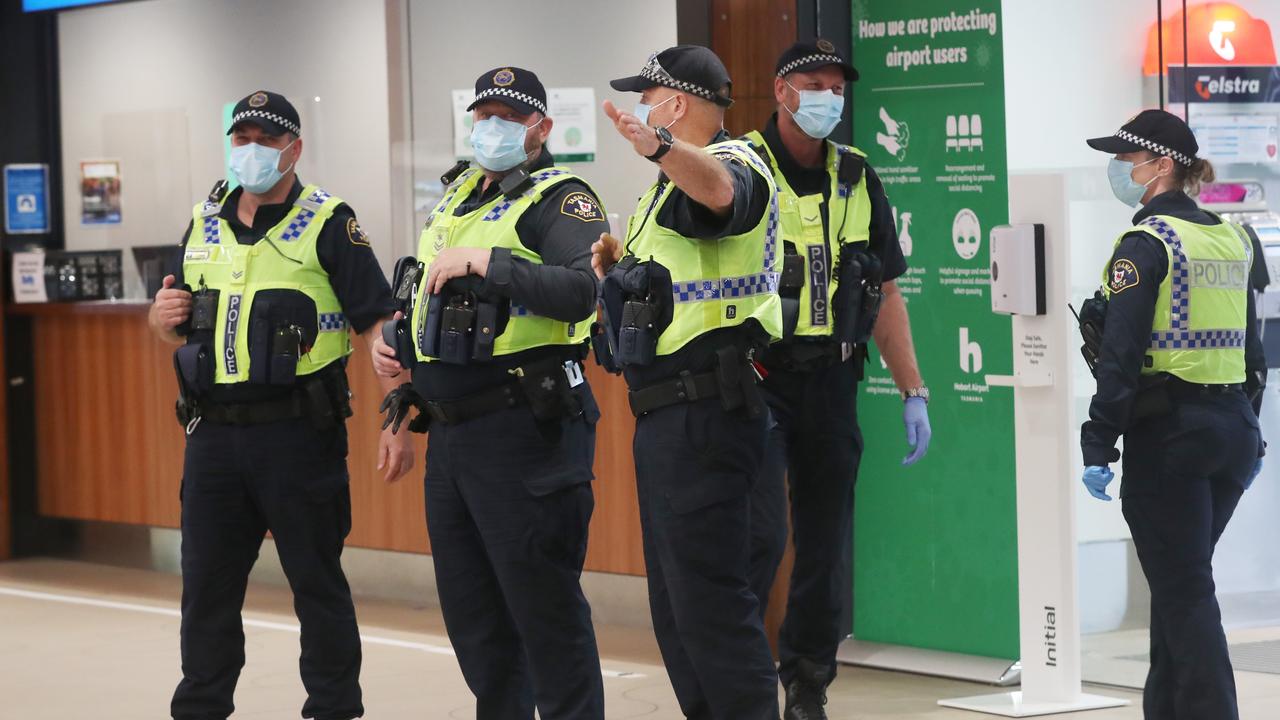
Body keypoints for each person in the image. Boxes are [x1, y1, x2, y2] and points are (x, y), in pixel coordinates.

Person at [147, 90, 414, 720]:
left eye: (267, 141)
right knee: (205, 589)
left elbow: (376, 323)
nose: (252, 151)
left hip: (299, 434)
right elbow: (174, 321)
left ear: (294, 149)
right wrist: (160, 318)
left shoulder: (330, 222)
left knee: (316, 584)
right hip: (212, 437)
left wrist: (397, 416)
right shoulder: (204, 219)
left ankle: (333, 706)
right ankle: (201, 706)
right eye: (241, 139)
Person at [371, 67, 605, 719]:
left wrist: (490, 264)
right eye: (482, 116)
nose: (491, 128)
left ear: (541, 128)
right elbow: (429, 304)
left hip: (524, 432)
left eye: (507, 116)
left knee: (545, 614)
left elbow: (586, 290)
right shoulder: (456, 199)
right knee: (476, 622)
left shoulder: (562, 199)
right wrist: (399, 373)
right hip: (451, 437)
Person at [739, 40, 930, 720]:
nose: (828, 97)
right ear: (781, 90)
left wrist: (914, 390)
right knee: (756, 535)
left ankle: (808, 683)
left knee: (824, 541)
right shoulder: (741, 166)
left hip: (829, 380)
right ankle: (739, 679)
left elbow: (885, 291)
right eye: (813, 83)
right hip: (753, 381)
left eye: (837, 87)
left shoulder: (856, 174)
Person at [593, 45, 782, 720]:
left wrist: (660, 146)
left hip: (707, 414)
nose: (643, 108)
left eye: (650, 98)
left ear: (677, 102)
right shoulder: (663, 189)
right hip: (667, 420)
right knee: (678, 612)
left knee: (713, 608)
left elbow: (721, 194)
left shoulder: (734, 165)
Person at [1081, 108, 1266, 720]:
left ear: (1162, 166)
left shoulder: (1146, 243)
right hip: (1232, 432)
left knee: (1185, 595)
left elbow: (1121, 355)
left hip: (1172, 440)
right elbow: (1254, 351)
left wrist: (1098, 441)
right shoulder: (1233, 237)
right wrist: (1249, 427)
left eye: (1126, 158)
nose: (1118, 169)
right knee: (1177, 585)